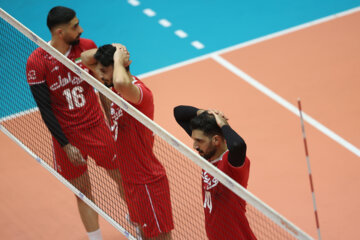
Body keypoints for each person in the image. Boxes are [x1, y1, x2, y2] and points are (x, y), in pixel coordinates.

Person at [26, 6, 125, 240]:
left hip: (96, 128)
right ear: (60, 32)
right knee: (82, 191)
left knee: (122, 177)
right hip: (67, 135)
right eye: (74, 26)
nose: (80, 29)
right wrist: (65, 144)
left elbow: (103, 86)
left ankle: (139, 225)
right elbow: (45, 109)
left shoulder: (86, 48)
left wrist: (113, 123)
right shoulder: (37, 62)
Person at [80, 44, 174, 240]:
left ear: (120, 66)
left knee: (160, 238)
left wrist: (118, 60)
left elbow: (122, 83)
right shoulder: (112, 87)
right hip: (130, 180)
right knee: (145, 235)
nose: (100, 75)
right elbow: (85, 57)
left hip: (147, 181)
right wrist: (115, 49)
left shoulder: (139, 93)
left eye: (105, 71)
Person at [173, 106, 257, 240]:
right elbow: (178, 113)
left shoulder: (231, 164)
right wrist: (207, 113)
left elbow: (238, 145)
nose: (195, 146)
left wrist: (223, 124)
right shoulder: (207, 155)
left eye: (199, 141)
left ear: (216, 140)